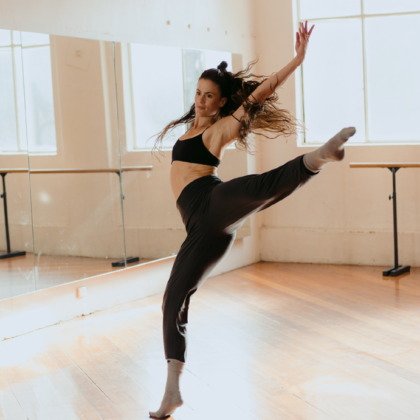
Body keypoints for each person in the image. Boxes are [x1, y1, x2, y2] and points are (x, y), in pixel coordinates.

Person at [149, 21, 355, 418]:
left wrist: (296, 60)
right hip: (199, 229)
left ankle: (319, 157)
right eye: (199, 94)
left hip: (212, 202)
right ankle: (172, 392)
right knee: (173, 299)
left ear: (223, 103)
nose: (203, 101)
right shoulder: (190, 129)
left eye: (210, 97)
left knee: (258, 187)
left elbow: (259, 95)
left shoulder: (218, 131)